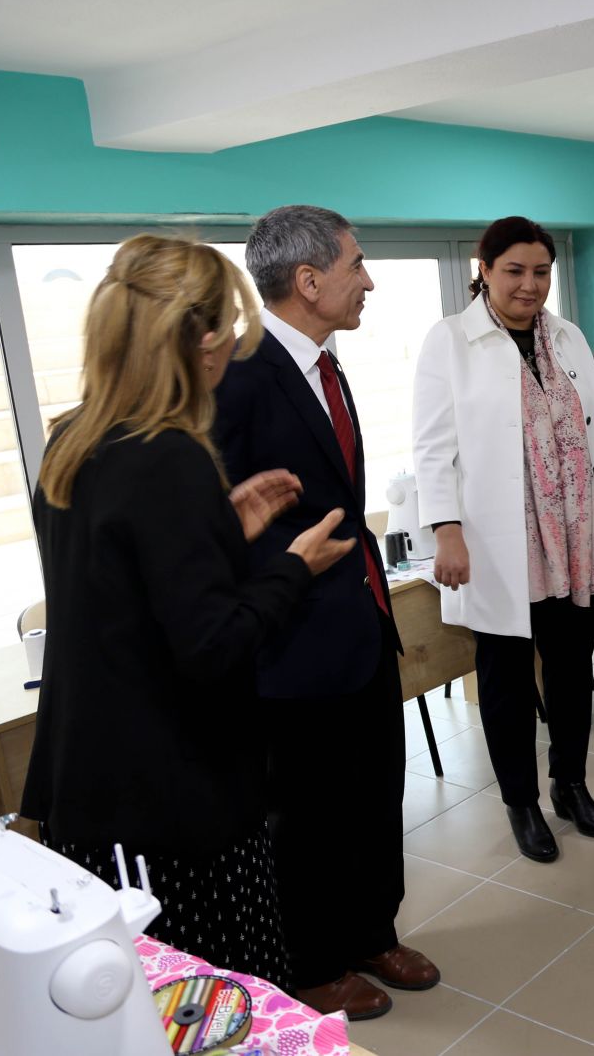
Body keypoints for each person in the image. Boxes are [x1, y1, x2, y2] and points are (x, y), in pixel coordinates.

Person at [22, 235, 355, 985]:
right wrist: (293, 568)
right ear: (200, 342)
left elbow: (122, 588)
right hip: (171, 802)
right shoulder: (169, 455)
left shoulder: (74, 439)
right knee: (220, 1002)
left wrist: (219, 532)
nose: (234, 346)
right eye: (230, 329)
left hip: (93, 786)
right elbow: (212, 645)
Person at [213, 205, 436, 1020]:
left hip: (361, 623)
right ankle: (311, 962)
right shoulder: (239, 377)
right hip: (292, 640)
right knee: (309, 815)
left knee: (376, 793)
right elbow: (218, 524)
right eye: (356, 264)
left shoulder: (326, 365)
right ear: (308, 280)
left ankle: (372, 930)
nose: (368, 280)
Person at [411, 217, 594, 863]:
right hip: (499, 544)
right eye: (514, 270)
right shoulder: (450, 340)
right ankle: (522, 802)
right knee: (507, 681)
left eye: (541, 271)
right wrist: (446, 531)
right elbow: (432, 448)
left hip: (573, 538)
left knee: (572, 674)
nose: (529, 284)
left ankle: (571, 785)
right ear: (484, 270)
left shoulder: (567, 336)